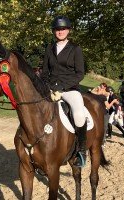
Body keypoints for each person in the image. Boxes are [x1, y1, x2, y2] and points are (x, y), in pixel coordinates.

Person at [41, 16, 86, 167]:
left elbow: (80, 74)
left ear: (68, 30)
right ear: (54, 31)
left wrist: (62, 87)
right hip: (51, 89)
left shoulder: (75, 49)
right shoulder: (49, 48)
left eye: (63, 29)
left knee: (79, 114)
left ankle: (81, 150)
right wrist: (48, 86)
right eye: (58, 29)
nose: (60, 31)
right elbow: (45, 71)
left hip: (70, 89)